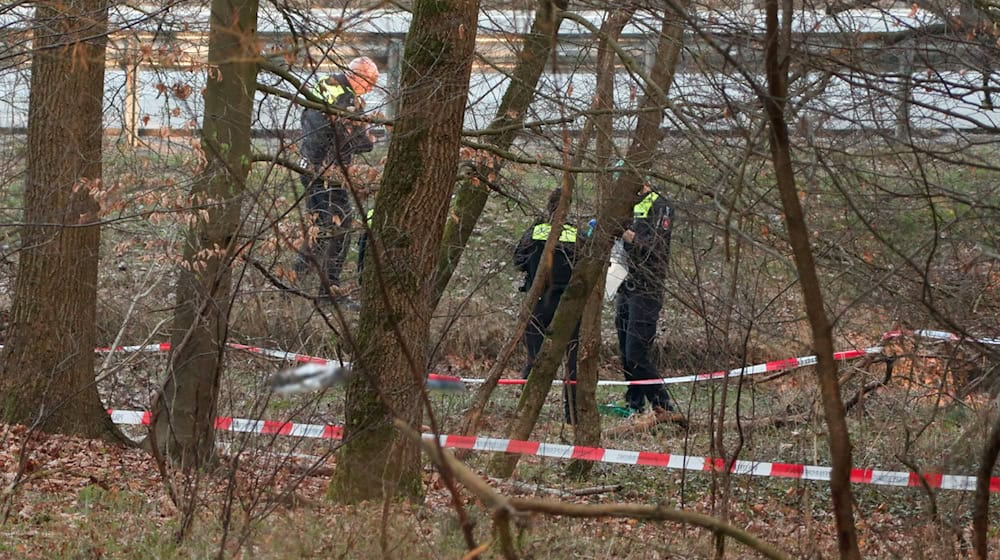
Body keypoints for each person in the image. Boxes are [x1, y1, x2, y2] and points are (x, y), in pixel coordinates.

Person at [297, 56, 379, 297]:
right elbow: (361, 141)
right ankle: (328, 289)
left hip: (312, 167)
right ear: (357, 77)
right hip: (327, 171)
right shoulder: (345, 98)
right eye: (370, 83)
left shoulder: (327, 86)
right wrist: (365, 139)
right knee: (339, 226)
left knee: (321, 227)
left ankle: (294, 280)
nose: (371, 89)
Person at [615, 179, 681, 420]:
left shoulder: (660, 205)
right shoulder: (628, 204)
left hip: (647, 288)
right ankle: (635, 403)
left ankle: (662, 404)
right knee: (624, 349)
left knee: (636, 351)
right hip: (625, 284)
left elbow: (654, 246)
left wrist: (624, 232)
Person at [513, 189, 581, 424]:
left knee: (534, 358)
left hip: (539, 302)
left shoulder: (535, 231)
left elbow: (518, 261)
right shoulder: (575, 234)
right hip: (568, 306)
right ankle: (571, 415)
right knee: (572, 362)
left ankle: (525, 411)